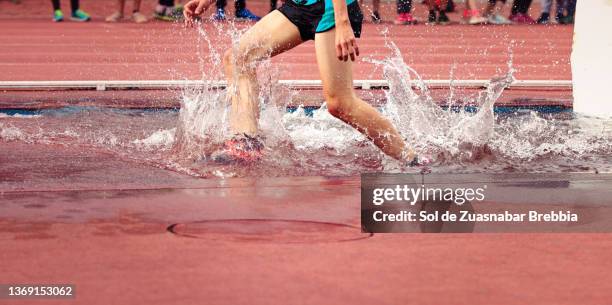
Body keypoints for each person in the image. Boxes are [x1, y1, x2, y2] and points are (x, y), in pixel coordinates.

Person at [182, 0, 428, 166]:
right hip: (298, 7)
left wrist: (343, 23)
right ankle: (246, 143)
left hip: (332, 10)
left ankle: (412, 159)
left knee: (340, 105)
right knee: (238, 59)